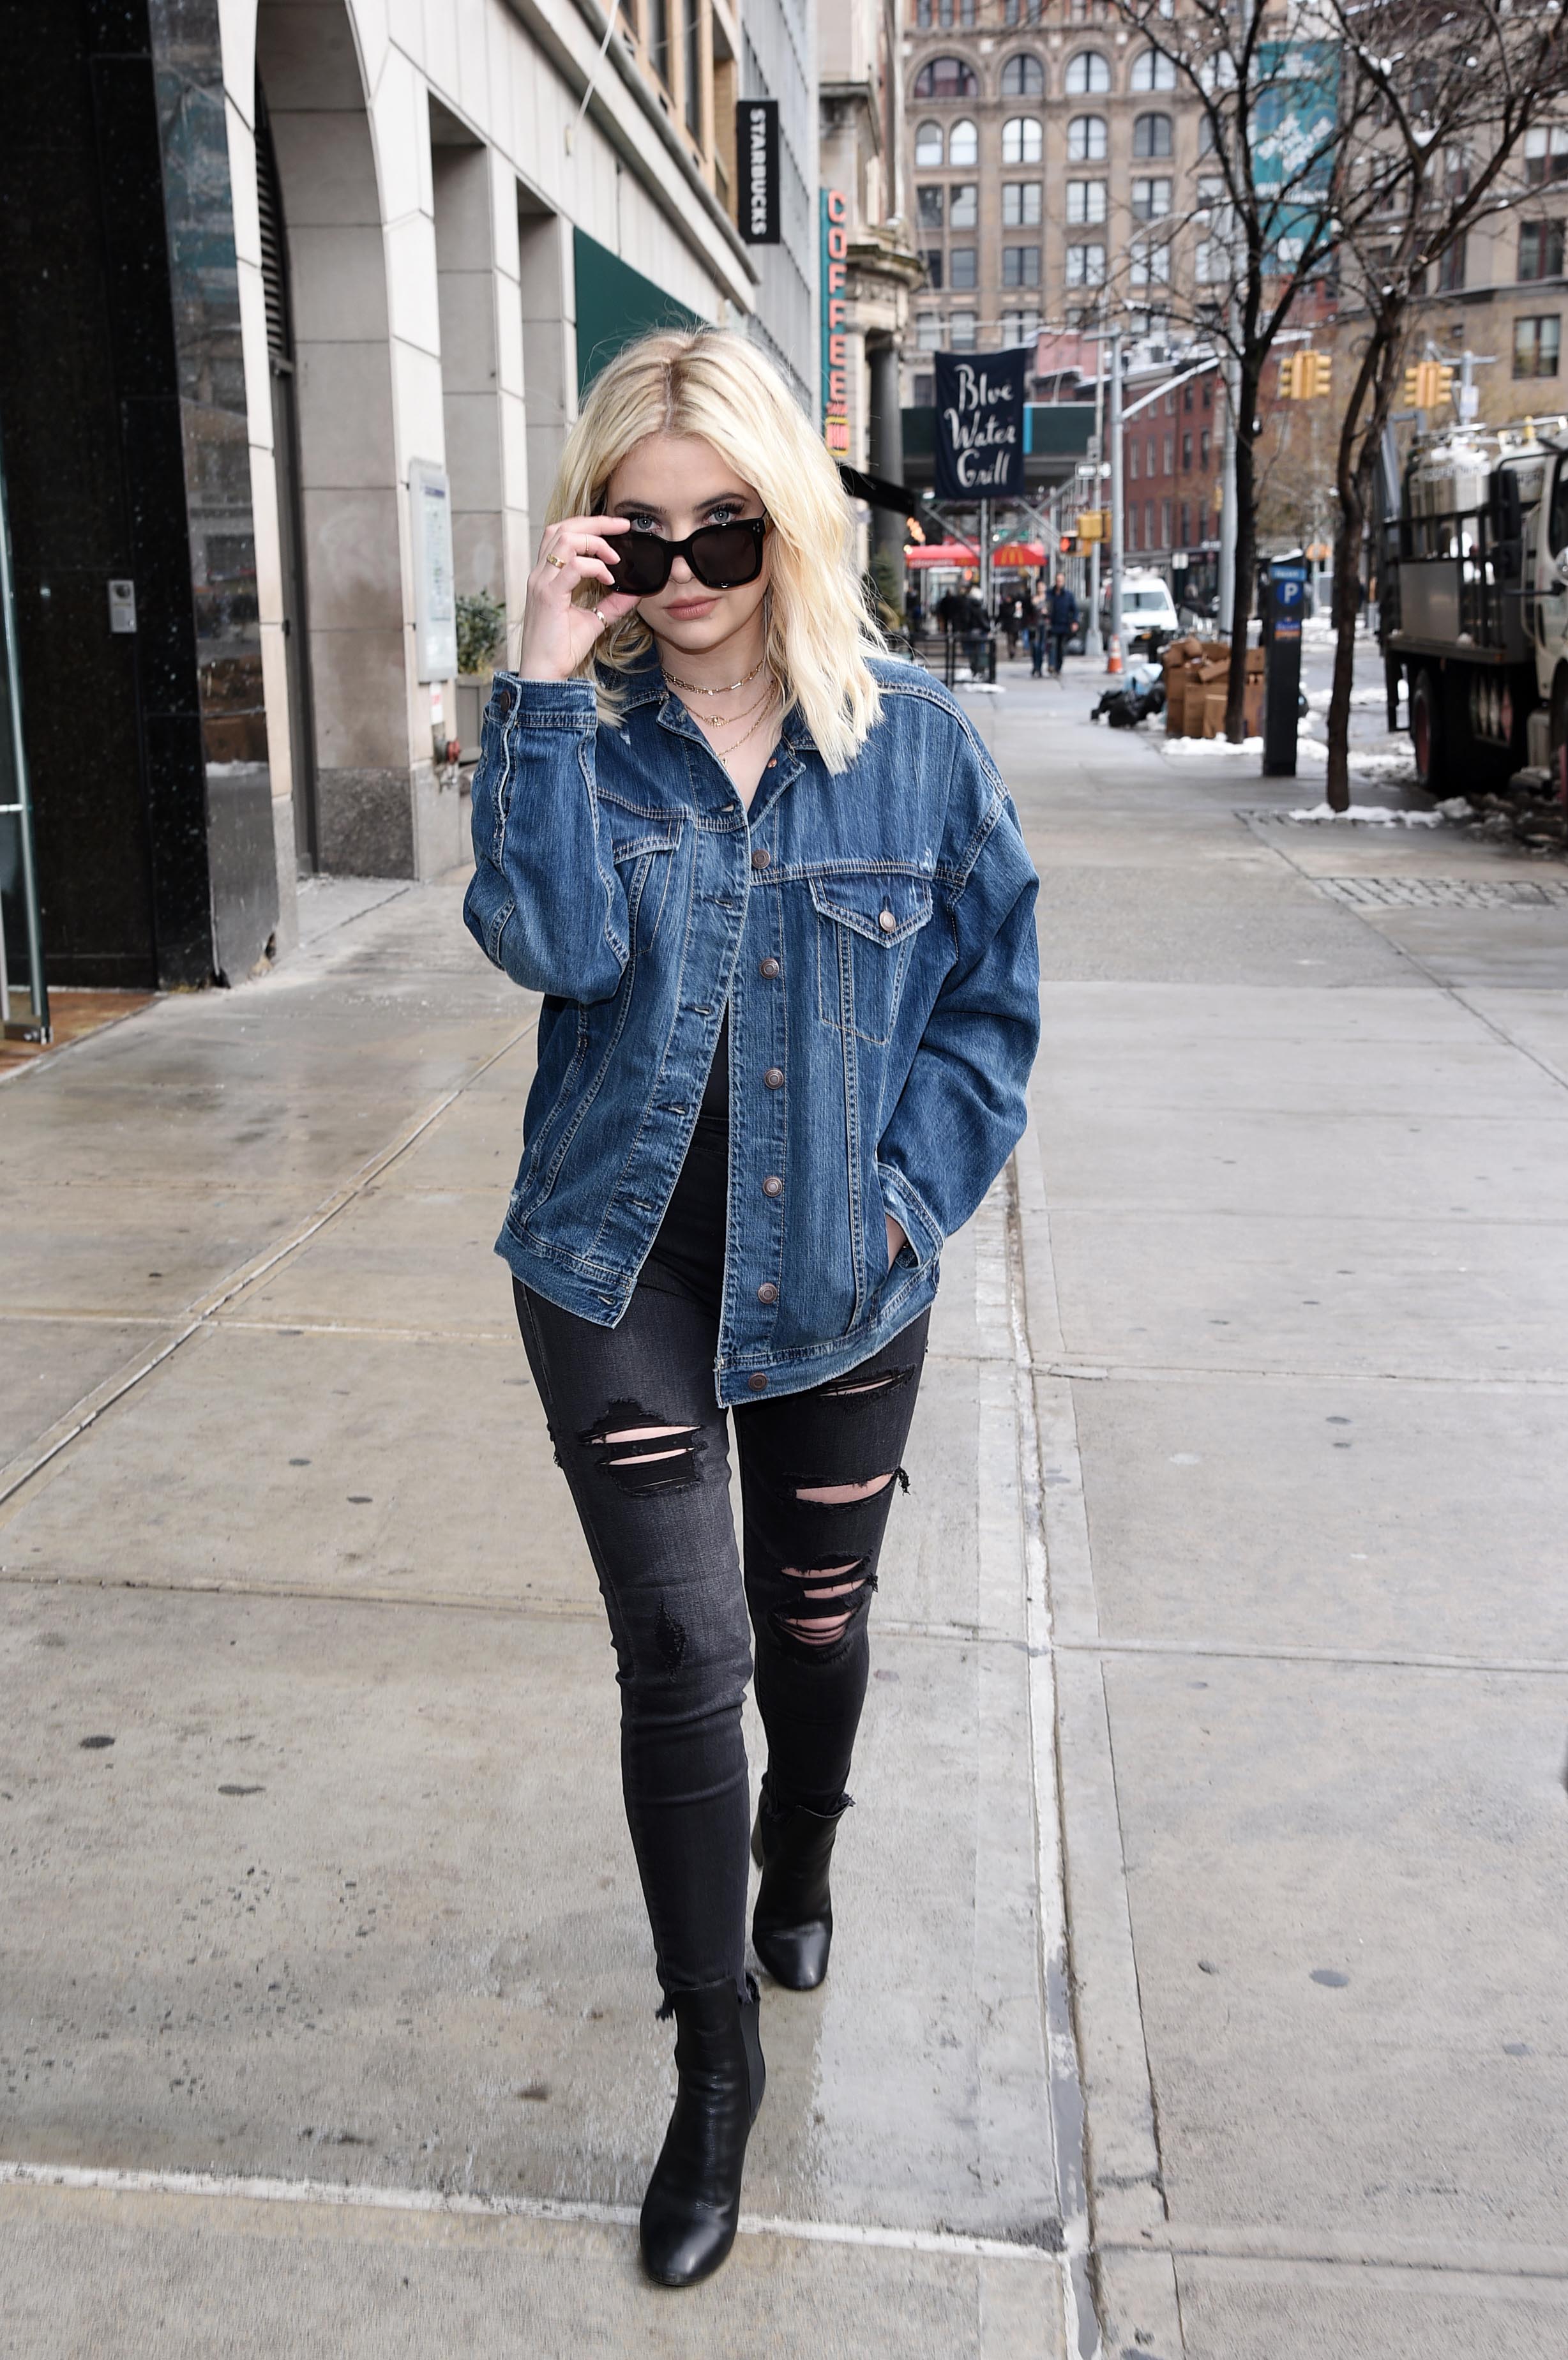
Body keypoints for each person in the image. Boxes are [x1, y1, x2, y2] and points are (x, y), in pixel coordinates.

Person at [464, 329, 1040, 2292]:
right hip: (612, 1261)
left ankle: (806, 1842)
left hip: (838, 1272)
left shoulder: (918, 747)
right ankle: (711, 2068)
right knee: (680, 1651)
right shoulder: (582, 731)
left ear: (788, 521)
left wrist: (901, 1204)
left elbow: (989, 1013)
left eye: (727, 527)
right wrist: (541, 681)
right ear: (597, 538)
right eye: (644, 534)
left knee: (811, 1618)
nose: (691, 570)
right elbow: (545, 940)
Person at [1045, 573, 1079, 681]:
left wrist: (1074, 622)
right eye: (1057, 580)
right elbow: (1046, 605)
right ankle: (1052, 665)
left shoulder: (1068, 595)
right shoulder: (1050, 594)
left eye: (1061, 580)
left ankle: (1058, 668)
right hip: (1053, 625)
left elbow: (1075, 610)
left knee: (1061, 648)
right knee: (1052, 645)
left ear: (1063, 581)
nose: (1059, 582)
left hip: (1064, 626)